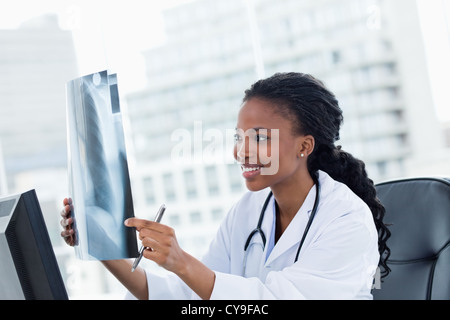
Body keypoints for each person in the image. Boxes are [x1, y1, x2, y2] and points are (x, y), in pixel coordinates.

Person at [60, 72, 391, 300]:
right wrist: (99, 242)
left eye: (259, 137)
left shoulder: (346, 219)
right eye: (239, 137)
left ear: (304, 146)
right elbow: (186, 295)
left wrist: (183, 262)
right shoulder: (248, 211)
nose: (241, 151)